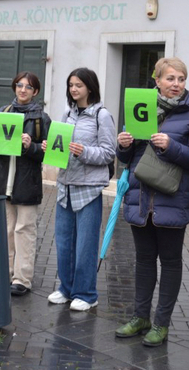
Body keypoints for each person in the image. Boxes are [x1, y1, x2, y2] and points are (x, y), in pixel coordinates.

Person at [113, 58, 189, 345]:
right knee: (142, 261)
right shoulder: (141, 108)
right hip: (140, 199)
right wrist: (123, 145)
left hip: (173, 199)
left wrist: (171, 145)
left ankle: (161, 324)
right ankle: (141, 317)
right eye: (170, 79)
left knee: (171, 263)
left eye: (181, 79)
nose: (176, 84)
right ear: (157, 81)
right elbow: (127, 159)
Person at [42, 68, 115, 309]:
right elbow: (61, 146)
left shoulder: (102, 115)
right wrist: (51, 146)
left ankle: (86, 294)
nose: (74, 89)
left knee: (85, 244)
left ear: (90, 88)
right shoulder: (67, 112)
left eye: (79, 85)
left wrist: (84, 152)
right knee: (63, 241)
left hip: (89, 187)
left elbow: (108, 153)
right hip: (65, 185)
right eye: (71, 85)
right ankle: (67, 288)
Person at [0, 71, 51, 297]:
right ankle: (6, 272)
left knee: (24, 230)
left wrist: (30, 146)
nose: (23, 90)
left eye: (28, 87)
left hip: (26, 183)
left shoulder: (41, 118)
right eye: (20, 85)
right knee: (6, 230)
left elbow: (47, 154)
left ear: (35, 92)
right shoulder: (3, 112)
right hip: (3, 181)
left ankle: (22, 278)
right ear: (15, 87)